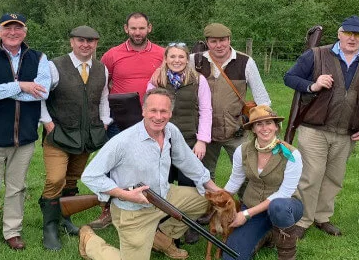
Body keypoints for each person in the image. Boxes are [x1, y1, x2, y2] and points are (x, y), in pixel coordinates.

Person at [78, 89, 222, 260]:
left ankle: (162, 239)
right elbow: (90, 175)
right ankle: (89, 242)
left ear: (170, 113)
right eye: (153, 110)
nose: (158, 116)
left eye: (164, 111)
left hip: (164, 197)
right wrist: (124, 194)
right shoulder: (123, 141)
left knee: (205, 200)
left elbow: (189, 162)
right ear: (143, 111)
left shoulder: (171, 131)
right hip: (133, 210)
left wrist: (215, 190)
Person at [283, 15, 359, 238]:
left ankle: (322, 217)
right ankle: (303, 219)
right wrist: (312, 85)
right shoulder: (316, 54)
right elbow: (289, 77)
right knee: (311, 175)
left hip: (347, 131)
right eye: (347, 33)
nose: (352, 38)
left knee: (334, 177)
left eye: (357, 34)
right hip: (314, 128)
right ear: (339, 34)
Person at [0, 13, 50, 254]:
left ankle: (12, 231)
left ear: (25, 31)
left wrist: (1, 90)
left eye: (18, 28)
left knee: (17, 187)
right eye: (8, 28)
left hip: (24, 137)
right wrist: (21, 86)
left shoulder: (39, 57)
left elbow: (42, 92)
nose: (13, 33)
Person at [88, 12, 165, 230]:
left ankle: (151, 208)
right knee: (113, 166)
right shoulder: (112, 55)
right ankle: (108, 210)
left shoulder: (162, 53)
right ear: (126, 29)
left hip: (153, 120)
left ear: (149, 28)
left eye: (141, 28)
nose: (137, 32)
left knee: (150, 164)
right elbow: (102, 85)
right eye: (133, 28)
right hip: (119, 121)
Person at [38, 25, 110, 250]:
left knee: (71, 180)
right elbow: (40, 96)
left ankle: (65, 219)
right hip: (58, 135)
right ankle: (49, 227)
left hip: (87, 136)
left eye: (90, 41)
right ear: (72, 42)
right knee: (55, 179)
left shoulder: (102, 69)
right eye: (81, 40)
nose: (85, 45)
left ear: (96, 44)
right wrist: (48, 122)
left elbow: (104, 97)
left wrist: (105, 122)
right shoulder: (54, 66)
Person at [221, 105, 303, 260]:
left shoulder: (292, 154)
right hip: (252, 206)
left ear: (276, 127)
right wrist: (218, 200)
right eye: (259, 125)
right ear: (252, 129)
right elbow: (235, 182)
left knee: (278, 206)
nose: (264, 128)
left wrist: (246, 215)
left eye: (269, 123)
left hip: (286, 207)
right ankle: (268, 233)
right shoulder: (242, 151)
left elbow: (284, 193)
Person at [193, 23, 271, 182]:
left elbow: (262, 99)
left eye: (223, 40)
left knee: (247, 174)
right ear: (207, 42)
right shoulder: (194, 60)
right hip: (204, 131)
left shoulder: (245, 62)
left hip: (235, 130)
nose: (219, 45)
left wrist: (264, 127)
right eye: (213, 41)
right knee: (203, 176)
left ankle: (247, 206)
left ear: (229, 39)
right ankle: (208, 206)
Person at [146, 42, 212, 185]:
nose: (177, 60)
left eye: (181, 56)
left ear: (187, 59)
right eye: (173, 56)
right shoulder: (156, 80)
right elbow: (148, 111)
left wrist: (202, 141)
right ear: (166, 59)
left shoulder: (199, 80)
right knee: (161, 185)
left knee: (189, 186)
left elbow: (206, 111)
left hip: (189, 142)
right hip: (161, 141)